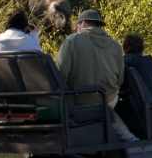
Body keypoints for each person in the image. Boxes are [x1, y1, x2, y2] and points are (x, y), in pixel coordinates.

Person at [57, 9, 138, 142]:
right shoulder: (115, 45)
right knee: (108, 110)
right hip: (109, 99)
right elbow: (120, 80)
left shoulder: (71, 41)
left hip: (80, 100)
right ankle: (130, 140)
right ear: (99, 25)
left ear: (82, 23)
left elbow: (60, 75)